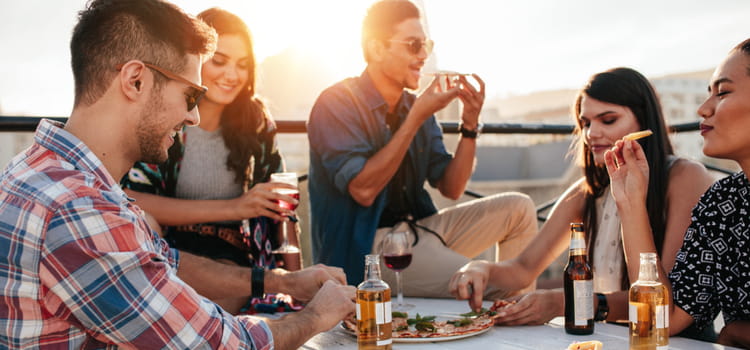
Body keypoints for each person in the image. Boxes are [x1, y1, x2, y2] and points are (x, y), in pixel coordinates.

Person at [0, 0, 354, 348]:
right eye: (190, 94)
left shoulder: (42, 171)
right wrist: (314, 318)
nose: (193, 117)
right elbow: (222, 345)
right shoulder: (78, 209)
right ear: (135, 80)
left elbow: (165, 262)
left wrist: (286, 283)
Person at [449, 67, 715, 331]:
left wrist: (572, 303)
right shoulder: (586, 191)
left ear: (644, 121)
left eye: (608, 120)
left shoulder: (684, 177)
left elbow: (666, 304)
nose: (591, 134)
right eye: (585, 123)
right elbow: (523, 267)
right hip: (605, 337)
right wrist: (481, 268)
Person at [307, 0, 538, 298]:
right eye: (413, 45)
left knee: (518, 209)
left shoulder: (413, 106)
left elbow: (452, 187)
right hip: (368, 248)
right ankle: (515, 313)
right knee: (493, 282)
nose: (424, 55)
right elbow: (363, 190)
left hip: (421, 230)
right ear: (377, 49)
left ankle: (513, 313)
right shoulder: (337, 103)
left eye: (426, 44)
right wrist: (416, 117)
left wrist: (469, 126)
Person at [121, 7, 306, 314]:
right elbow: (131, 199)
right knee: (143, 223)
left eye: (242, 65)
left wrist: (299, 284)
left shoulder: (257, 121)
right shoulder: (163, 115)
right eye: (219, 61)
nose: (231, 75)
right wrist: (236, 206)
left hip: (229, 253)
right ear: (192, 59)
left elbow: (282, 208)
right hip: (167, 247)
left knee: (204, 311)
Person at [606, 39, 750, 348]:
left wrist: (739, 332)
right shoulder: (723, 203)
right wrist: (631, 203)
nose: (703, 108)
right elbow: (663, 318)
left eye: (722, 92)